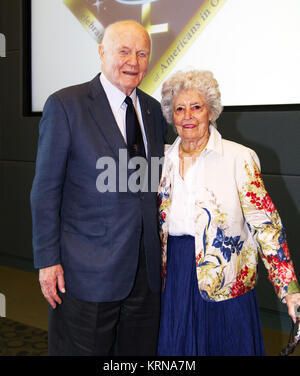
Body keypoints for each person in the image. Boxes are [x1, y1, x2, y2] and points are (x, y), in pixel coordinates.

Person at [30, 20, 167, 356]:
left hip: (145, 276)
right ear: (101, 52)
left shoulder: (153, 111)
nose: (133, 61)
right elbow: (45, 190)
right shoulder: (66, 105)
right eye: (123, 51)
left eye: (141, 53)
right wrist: (47, 261)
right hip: (86, 274)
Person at [157, 70, 300, 356]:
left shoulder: (238, 157)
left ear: (211, 111)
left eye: (196, 107)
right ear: (171, 115)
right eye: (179, 109)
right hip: (175, 276)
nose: (188, 116)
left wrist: (289, 288)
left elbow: (266, 226)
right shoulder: (161, 161)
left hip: (227, 281)